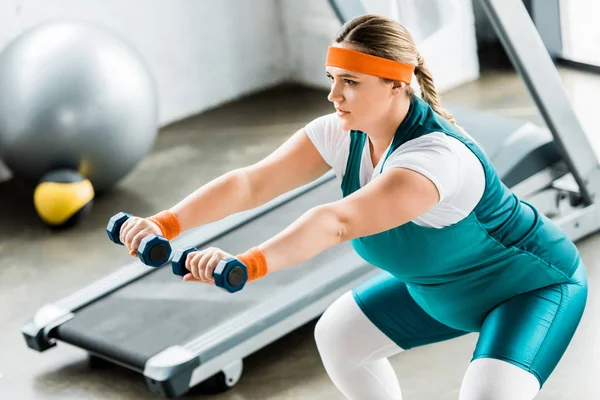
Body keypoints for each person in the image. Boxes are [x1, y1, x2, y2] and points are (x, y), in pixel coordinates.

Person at [117, 14, 587, 400]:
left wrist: (246, 263)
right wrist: (163, 223)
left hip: (532, 289)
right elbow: (249, 184)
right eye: (332, 79)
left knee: (487, 396)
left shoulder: (436, 160)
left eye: (349, 82)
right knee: (340, 337)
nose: (332, 95)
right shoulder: (341, 133)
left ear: (396, 86)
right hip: (439, 292)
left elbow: (337, 222)